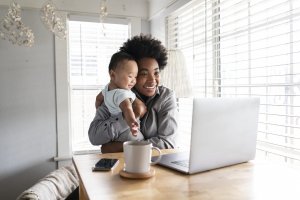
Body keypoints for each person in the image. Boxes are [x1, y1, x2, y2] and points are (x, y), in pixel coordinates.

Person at [88, 34, 178, 153]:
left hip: (157, 165)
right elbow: (95, 136)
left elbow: (168, 143)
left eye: (156, 73)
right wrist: (132, 115)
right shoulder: (115, 94)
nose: (152, 80)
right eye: (144, 74)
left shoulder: (166, 97)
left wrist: (119, 147)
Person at [96, 51, 145, 142]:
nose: (134, 81)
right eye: (130, 76)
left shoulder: (107, 90)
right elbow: (127, 109)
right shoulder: (121, 93)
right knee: (140, 144)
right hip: (127, 130)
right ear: (113, 75)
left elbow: (98, 99)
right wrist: (132, 124)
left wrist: (98, 108)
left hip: (120, 127)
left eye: (135, 77)